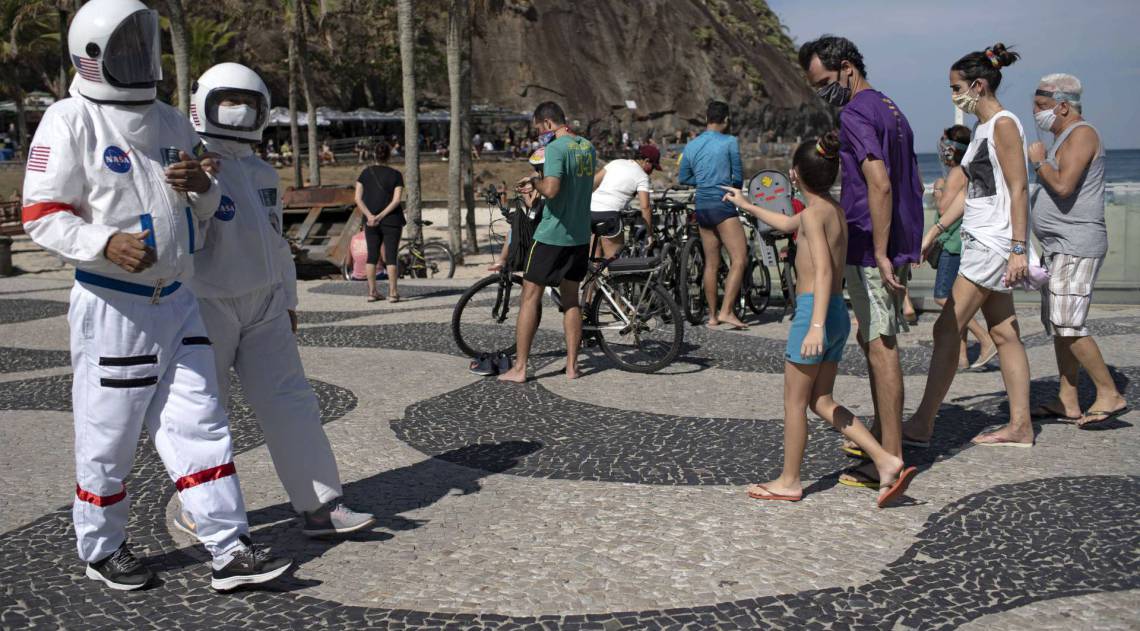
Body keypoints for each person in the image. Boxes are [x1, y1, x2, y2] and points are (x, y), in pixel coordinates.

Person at [20, 0, 290, 592]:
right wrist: (102, 242)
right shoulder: (70, 120)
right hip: (115, 304)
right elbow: (40, 213)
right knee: (109, 433)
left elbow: (203, 204)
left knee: (203, 422)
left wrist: (201, 186)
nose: (138, 59)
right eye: (125, 48)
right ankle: (103, 546)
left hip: (178, 297)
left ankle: (228, 545)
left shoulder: (170, 119)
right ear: (92, 55)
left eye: (143, 45)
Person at [181, 62, 374, 540]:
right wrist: (196, 189)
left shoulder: (262, 171)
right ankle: (198, 508)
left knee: (291, 403)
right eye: (230, 104)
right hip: (207, 301)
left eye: (249, 106)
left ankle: (319, 505)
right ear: (203, 105)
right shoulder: (191, 164)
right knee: (204, 410)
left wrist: (287, 298)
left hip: (265, 302)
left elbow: (273, 237)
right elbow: (181, 234)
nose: (240, 115)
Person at [723, 133, 917, 507]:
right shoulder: (831, 210)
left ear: (794, 175)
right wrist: (746, 205)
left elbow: (825, 271)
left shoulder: (813, 216)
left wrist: (812, 326)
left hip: (815, 312)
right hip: (836, 315)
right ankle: (885, 458)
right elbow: (785, 223)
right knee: (822, 400)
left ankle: (789, 480)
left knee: (795, 405)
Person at [799, 35, 923, 487]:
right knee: (875, 335)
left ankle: (889, 457)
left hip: (873, 244)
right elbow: (913, 178)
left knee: (879, 344)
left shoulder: (854, 112)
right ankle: (885, 439)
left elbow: (880, 182)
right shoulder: (891, 107)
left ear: (847, 68)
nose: (823, 93)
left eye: (826, 82)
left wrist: (879, 251)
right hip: (894, 238)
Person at [906, 43, 1035, 447]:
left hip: (992, 243)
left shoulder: (1003, 125)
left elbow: (1018, 188)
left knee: (947, 328)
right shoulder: (983, 130)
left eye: (956, 86)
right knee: (1004, 332)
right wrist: (934, 232)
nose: (953, 94)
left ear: (977, 86)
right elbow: (971, 192)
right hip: (984, 238)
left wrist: (1018, 248)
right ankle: (1020, 426)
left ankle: (923, 423)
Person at [1028, 73, 1127, 427]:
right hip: (1058, 246)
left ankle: (1109, 393)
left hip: (1076, 244)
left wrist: (1039, 162)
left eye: (1041, 107)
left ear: (1063, 105)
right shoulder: (1063, 138)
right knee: (1059, 324)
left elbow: (1064, 185)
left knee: (1069, 322)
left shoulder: (1082, 134)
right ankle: (1067, 399)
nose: (1037, 114)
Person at [498, 101, 596, 382]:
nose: (541, 133)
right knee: (571, 300)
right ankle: (572, 366)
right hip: (579, 235)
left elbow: (551, 189)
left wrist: (533, 181)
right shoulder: (588, 147)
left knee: (530, 297)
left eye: (540, 128)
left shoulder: (555, 148)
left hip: (552, 234)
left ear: (549, 124)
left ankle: (520, 369)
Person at [930, 125, 997, 370]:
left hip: (954, 243)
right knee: (954, 297)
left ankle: (985, 338)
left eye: (944, 143)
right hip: (960, 240)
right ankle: (961, 357)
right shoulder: (965, 170)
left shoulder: (957, 173)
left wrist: (938, 188)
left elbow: (943, 209)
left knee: (943, 298)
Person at [677, 100, 748, 329]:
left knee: (711, 263)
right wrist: (725, 184)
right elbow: (737, 177)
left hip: (702, 206)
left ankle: (712, 316)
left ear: (707, 119)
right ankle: (727, 311)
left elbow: (684, 178)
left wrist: (704, 182)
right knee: (739, 258)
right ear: (726, 119)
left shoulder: (691, 145)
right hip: (722, 203)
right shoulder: (730, 141)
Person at [354, 142, 406, 302]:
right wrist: (381, 215)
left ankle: (372, 292)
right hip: (391, 220)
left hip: (370, 222)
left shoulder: (365, 173)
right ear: (389, 156)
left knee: (372, 256)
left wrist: (371, 216)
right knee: (391, 256)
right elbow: (397, 200)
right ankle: (393, 292)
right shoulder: (396, 175)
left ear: (374, 155)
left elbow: (357, 198)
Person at [589, 145, 660, 258]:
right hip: (609, 215)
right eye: (652, 167)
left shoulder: (616, 163)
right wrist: (649, 234)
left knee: (593, 258)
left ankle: (593, 275)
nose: (652, 172)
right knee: (612, 262)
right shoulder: (642, 177)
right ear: (646, 161)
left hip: (590, 211)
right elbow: (645, 207)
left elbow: (593, 183)